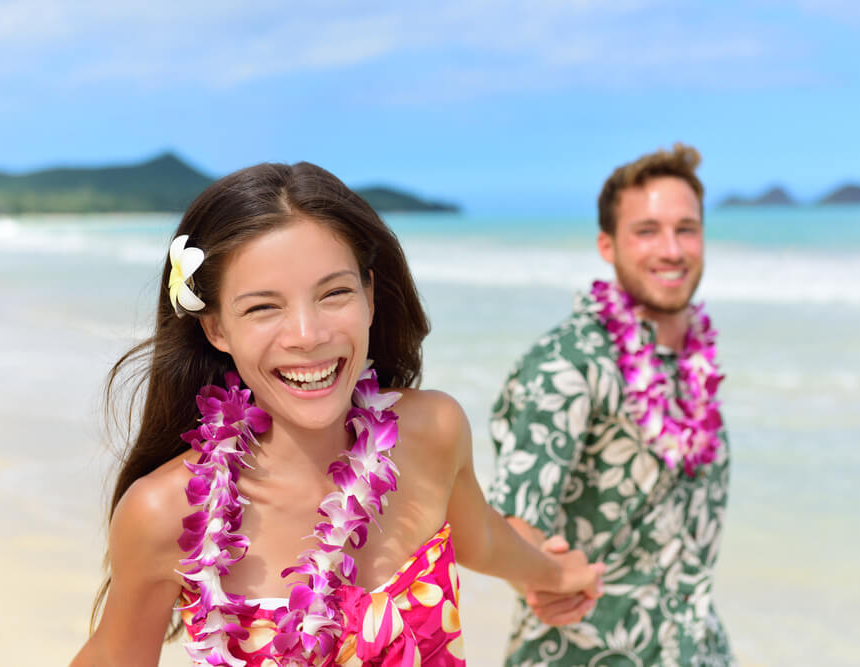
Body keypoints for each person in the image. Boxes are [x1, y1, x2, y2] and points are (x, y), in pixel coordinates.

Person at [71, 162, 604, 667]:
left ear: (370, 297)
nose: (308, 336)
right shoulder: (166, 512)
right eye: (263, 307)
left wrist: (555, 575)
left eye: (334, 294)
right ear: (216, 330)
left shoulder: (433, 431)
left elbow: (482, 539)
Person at [488, 144, 735, 666]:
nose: (671, 249)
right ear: (608, 244)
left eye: (686, 228)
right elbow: (512, 519)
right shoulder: (567, 363)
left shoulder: (695, 365)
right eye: (646, 231)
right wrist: (538, 577)